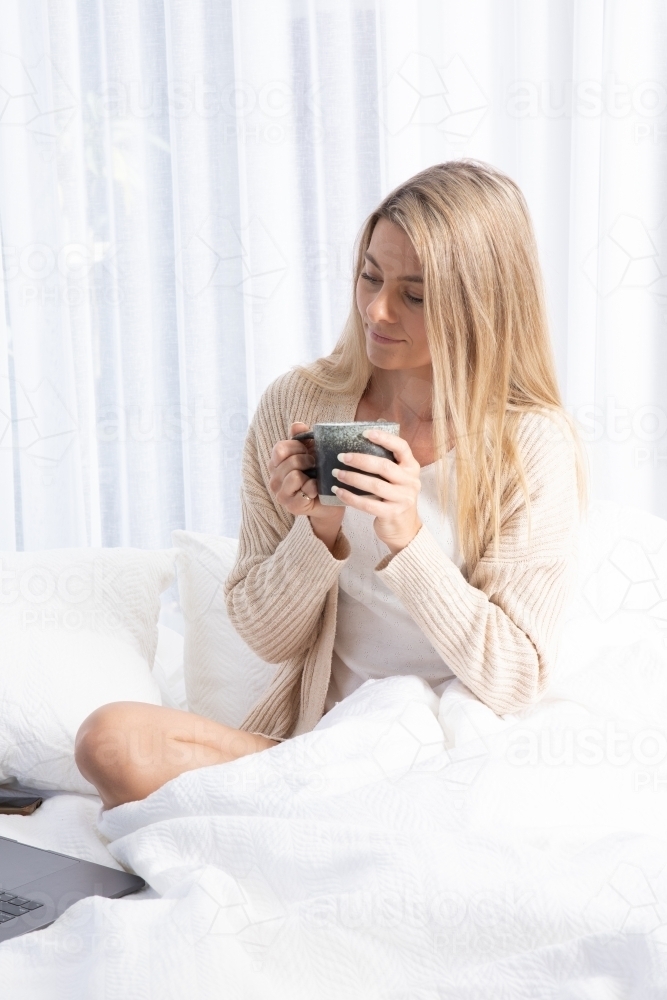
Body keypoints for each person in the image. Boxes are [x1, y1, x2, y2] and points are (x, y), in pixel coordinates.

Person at [75, 159, 586, 809]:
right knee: (109, 740)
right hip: (320, 747)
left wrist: (407, 538)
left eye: (414, 294)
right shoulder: (301, 401)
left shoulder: (529, 444)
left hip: (450, 757)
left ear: (480, 302)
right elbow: (266, 636)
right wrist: (314, 532)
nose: (376, 309)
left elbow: (513, 680)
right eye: (369, 276)